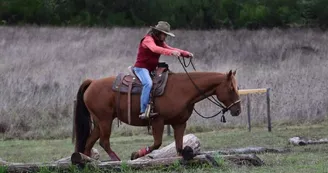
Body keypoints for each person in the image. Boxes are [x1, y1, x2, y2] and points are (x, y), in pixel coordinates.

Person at [133, 21, 194, 119]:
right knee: (148, 83)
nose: (165, 37)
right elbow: (154, 49)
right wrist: (171, 53)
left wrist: (185, 54)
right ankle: (143, 111)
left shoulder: (160, 42)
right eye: (164, 34)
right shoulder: (148, 40)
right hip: (141, 68)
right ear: (158, 32)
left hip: (152, 69)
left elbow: (171, 48)